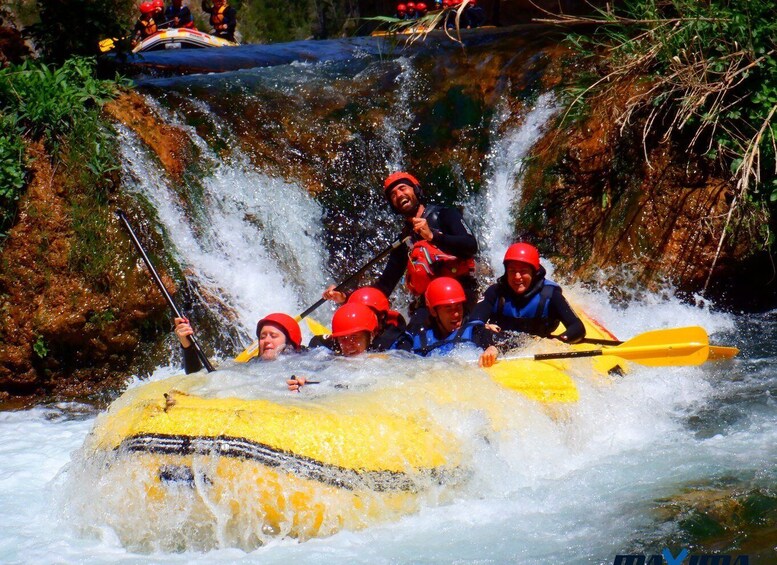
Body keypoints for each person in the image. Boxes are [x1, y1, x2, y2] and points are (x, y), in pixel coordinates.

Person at [322, 171, 479, 313]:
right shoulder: (404, 240)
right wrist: (345, 296)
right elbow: (384, 287)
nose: (398, 194)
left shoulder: (445, 214)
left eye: (403, 188)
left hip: (461, 294)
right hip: (430, 306)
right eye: (393, 195)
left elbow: (470, 246)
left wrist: (433, 237)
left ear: (416, 190)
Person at [471, 242, 586, 344]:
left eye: (523, 271)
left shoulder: (551, 296)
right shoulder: (495, 292)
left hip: (535, 351)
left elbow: (577, 328)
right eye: (512, 271)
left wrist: (559, 341)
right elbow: (471, 324)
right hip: (499, 348)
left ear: (534, 273)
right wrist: (483, 327)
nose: (517, 277)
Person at [399, 277, 499, 367]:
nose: (456, 314)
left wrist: (492, 348)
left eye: (458, 307)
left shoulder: (474, 331)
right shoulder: (416, 340)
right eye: (448, 309)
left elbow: (493, 339)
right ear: (433, 311)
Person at [289, 303, 379, 391]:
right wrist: (304, 381)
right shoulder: (326, 355)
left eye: (354, 337)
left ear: (371, 335)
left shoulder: (380, 359)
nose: (348, 344)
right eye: (343, 338)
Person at [175, 312, 302, 374]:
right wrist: (187, 344)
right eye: (263, 337)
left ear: (290, 343)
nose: (267, 340)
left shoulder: (307, 363)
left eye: (273, 336)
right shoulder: (249, 367)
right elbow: (199, 377)